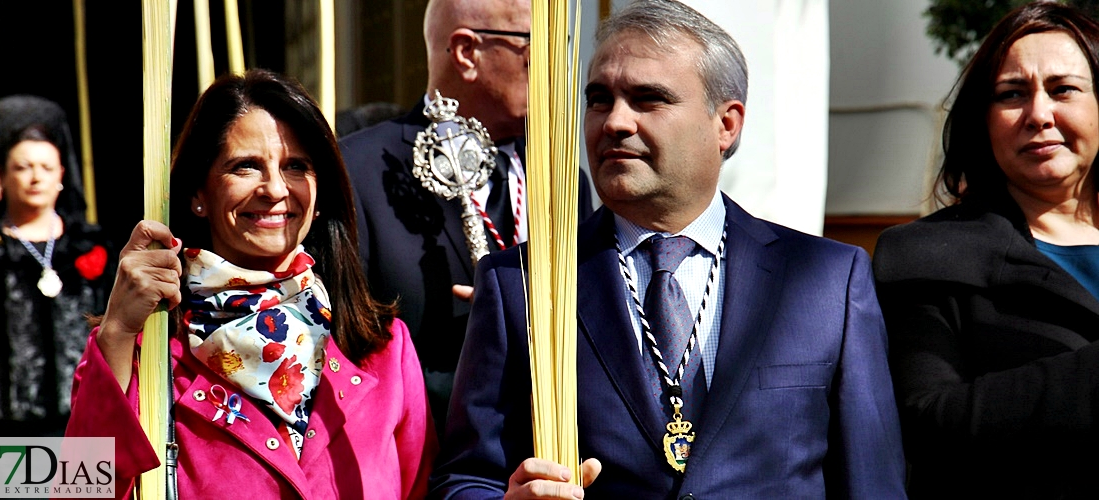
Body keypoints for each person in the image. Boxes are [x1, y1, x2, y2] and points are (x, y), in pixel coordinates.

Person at [431, 0, 906, 498]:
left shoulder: (828, 280)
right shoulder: (522, 283)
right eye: (598, 99)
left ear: (727, 125)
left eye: (648, 99)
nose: (614, 121)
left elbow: (871, 481)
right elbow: (464, 480)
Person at [64, 69, 437, 499]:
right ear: (197, 193)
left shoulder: (385, 351)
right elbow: (75, 490)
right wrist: (117, 331)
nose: (276, 189)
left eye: (297, 166)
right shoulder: (140, 356)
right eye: (245, 167)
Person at [873, 3, 1099, 498]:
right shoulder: (924, 256)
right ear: (984, 121)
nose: (1039, 114)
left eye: (1064, 90)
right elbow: (926, 422)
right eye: (1011, 95)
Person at [337, 0, 593, 433]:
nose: (557, 66)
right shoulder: (359, 170)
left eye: (561, 46)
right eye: (537, 47)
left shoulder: (564, 179)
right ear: (466, 53)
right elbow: (342, 349)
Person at [0, 95, 115, 437]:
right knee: (19, 489)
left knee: (83, 492)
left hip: (86, 419)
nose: (35, 178)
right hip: (7, 425)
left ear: (61, 173)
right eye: (22, 167)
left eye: (46, 168)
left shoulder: (91, 244)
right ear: (1, 174)